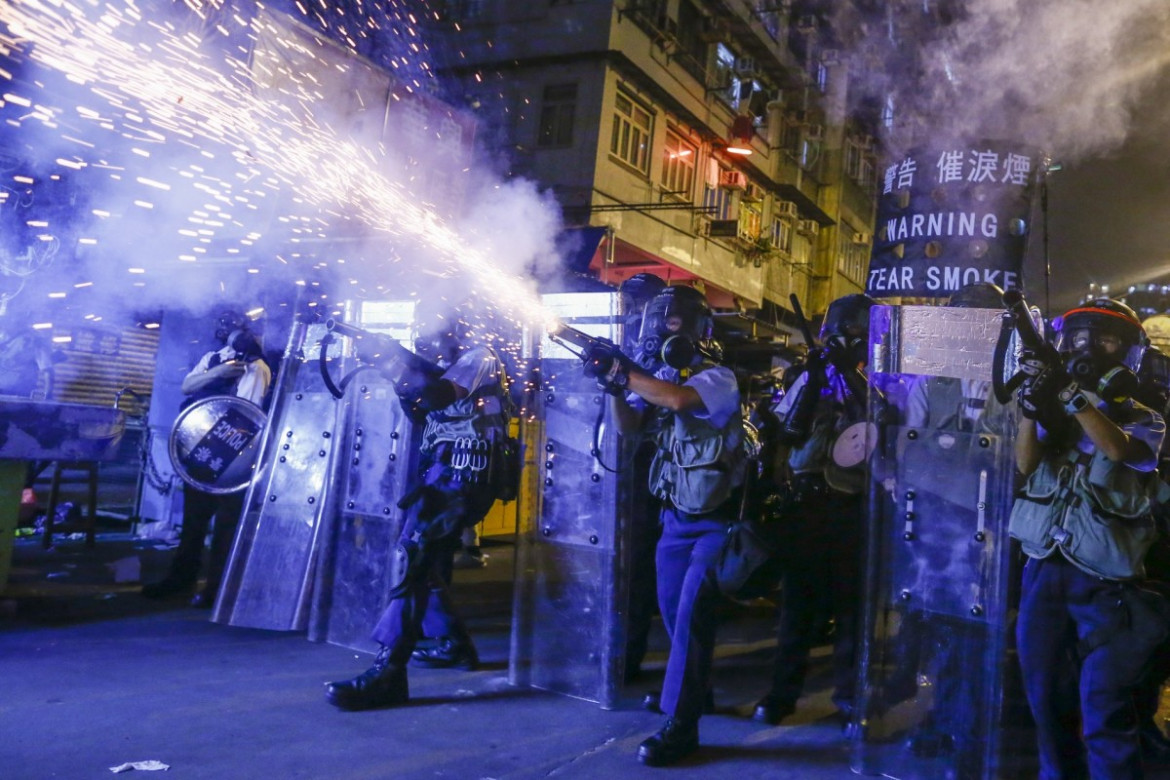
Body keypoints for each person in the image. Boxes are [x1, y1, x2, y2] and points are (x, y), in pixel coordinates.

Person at [581, 284, 745, 766]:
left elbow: (675, 401)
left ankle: (682, 722)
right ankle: (697, 690)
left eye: (676, 322)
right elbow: (628, 428)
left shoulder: (719, 378)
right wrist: (614, 387)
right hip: (674, 519)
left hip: (716, 523)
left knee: (692, 614)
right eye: (662, 322)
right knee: (673, 614)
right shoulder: (657, 375)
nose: (666, 330)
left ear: (697, 329)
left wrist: (625, 373)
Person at [325, 298, 513, 709]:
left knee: (412, 558)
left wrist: (392, 363)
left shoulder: (478, 357)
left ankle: (390, 671)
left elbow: (441, 396)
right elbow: (422, 414)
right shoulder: (441, 365)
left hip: (465, 475)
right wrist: (396, 371)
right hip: (442, 475)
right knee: (422, 564)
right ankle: (452, 644)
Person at [1010, 297, 1168, 779]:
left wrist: (1075, 399)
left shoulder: (1148, 414)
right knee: (1044, 699)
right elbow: (1024, 465)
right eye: (1079, 338)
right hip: (1044, 569)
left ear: (1127, 352)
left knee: (1105, 710)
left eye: (1104, 339)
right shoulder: (1058, 404)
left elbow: (1121, 450)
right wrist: (1032, 408)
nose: (1089, 347)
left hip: (1106, 586)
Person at [754, 293, 875, 727]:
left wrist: (849, 373)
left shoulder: (881, 381)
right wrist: (817, 374)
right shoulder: (808, 377)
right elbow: (786, 431)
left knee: (849, 612)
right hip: (805, 504)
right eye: (842, 335)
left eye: (855, 336)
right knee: (797, 610)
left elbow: (883, 422)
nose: (848, 343)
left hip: (851, 506)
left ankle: (848, 700)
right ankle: (782, 695)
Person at [142, 309, 272, 607]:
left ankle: (218, 590)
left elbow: (246, 413)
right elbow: (188, 385)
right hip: (201, 451)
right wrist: (220, 372)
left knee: (226, 529)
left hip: (235, 459)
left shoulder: (257, 367)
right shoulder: (213, 358)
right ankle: (181, 579)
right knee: (193, 524)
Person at [616, 271, 667, 684]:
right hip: (617, 472)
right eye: (626, 306)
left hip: (653, 475)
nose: (630, 315)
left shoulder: (670, 359)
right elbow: (624, 420)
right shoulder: (627, 352)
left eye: (637, 307)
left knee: (639, 571)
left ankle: (628, 656)